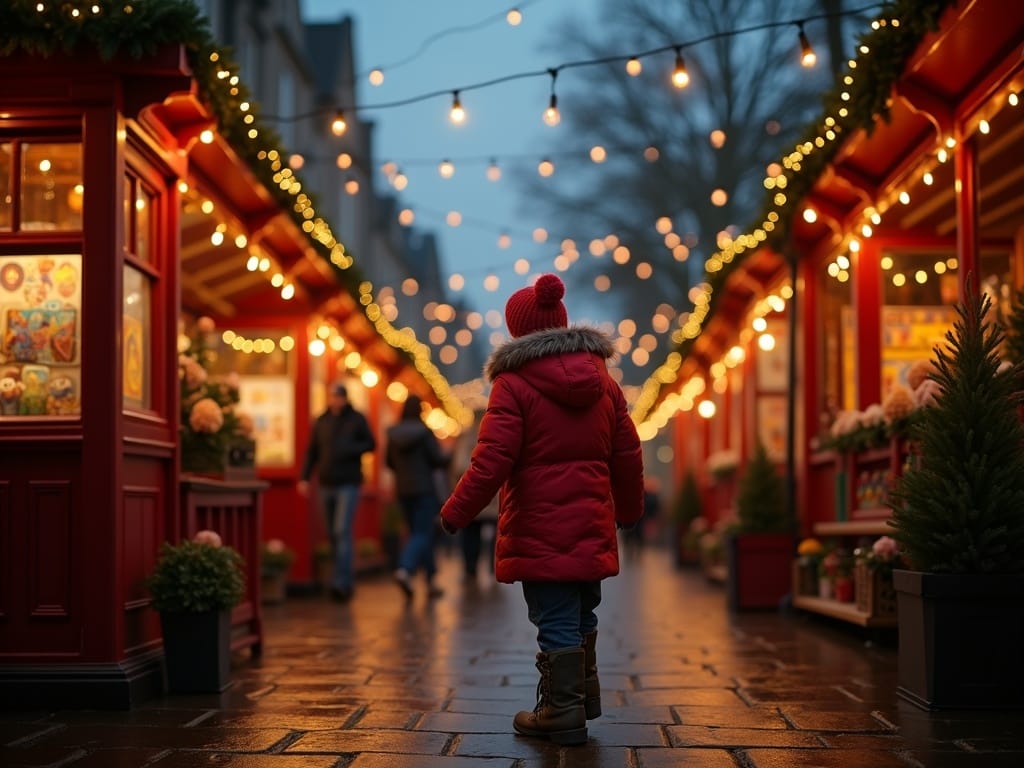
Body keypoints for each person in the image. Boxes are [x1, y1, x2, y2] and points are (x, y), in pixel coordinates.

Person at [438, 273, 644, 745]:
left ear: (518, 332)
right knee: (580, 611)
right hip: (591, 522)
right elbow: (628, 455)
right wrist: (630, 511)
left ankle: (560, 711)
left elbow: (491, 459)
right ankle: (581, 700)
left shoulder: (513, 385)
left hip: (539, 524)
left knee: (552, 616)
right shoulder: (605, 383)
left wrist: (456, 511)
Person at [298, 382, 375, 602]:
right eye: (332, 396)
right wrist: (304, 477)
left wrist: (348, 449)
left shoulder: (356, 419)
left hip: (348, 483)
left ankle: (342, 582)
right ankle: (340, 578)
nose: (335, 400)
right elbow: (312, 450)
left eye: (338, 396)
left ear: (344, 398)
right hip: (325, 483)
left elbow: (371, 444)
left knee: (342, 530)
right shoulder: (322, 421)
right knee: (331, 533)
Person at [386, 394, 450, 600]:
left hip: (402, 489)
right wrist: (450, 455)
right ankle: (405, 569)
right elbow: (437, 460)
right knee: (423, 534)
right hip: (423, 489)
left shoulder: (392, 434)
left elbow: (388, 462)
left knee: (418, 534)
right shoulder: (425, 433)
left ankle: (430, 581)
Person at [452, 410, 499, 584]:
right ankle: (493, 568)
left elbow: (458, 465)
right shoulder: (495, 433)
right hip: (493, 496)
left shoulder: (465, 438)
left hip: (472, 493)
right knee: (496, 533)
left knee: (470, 533)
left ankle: (470, 567)